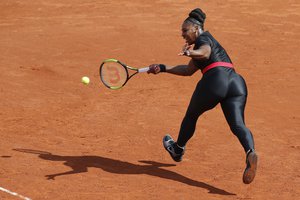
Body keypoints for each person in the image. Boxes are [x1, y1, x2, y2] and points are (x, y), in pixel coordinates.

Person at [147, 8, 258, 184]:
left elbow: (204, 52)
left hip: (216, 81)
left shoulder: (203, 39)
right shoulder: (210, 42)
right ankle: (250, 152)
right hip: (236, 83)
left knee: (191, 115)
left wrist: (190, 52)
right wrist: (162, 67)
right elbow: (188, 70)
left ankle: (178, 149)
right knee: (238, 124)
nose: (182, 35)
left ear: (196, 29)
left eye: (185, 30)